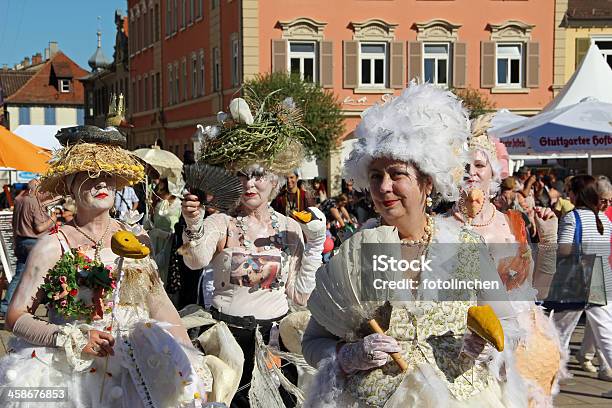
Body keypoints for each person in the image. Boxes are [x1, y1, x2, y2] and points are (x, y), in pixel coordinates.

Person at [303, 83, 524, 407]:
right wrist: (347, 355)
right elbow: (313, 342)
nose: (384, 187)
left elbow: (508, 326)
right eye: (376, 175)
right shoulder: (357, 251)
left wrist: (490, 347)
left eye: (397, 174)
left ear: (427, 180)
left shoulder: (464, 246)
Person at [0, 125, 214, 407]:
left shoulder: (137, 238)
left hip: (138, 368)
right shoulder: (52, 246)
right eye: (90, 176)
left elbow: (159, 303)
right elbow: (16, 318)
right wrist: (72, 339)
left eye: (108, 176)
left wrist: (190, 357)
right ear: (69, 186)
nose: (101, 183)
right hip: (76, 376)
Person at [181, 96, 326, 407]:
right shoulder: (222, 223)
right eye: (242, 175)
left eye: (258, 174)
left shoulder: (290, 228)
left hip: (274, 345)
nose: (249, 184)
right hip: (225, 345)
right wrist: (194, 222)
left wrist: (314, 245)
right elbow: (195, 261)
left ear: (273, 179)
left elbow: (300, 297)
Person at [447, 113, 563, 405]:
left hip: (524, 353)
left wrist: (548, 241)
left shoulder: (514, 222)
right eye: (462, 166)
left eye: (479, 165)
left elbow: (541, 290)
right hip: (468, 354)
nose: (471, 172)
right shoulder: (439, 228)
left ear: (493, 172)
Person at [553, 175, 612, 397]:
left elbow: (565, 250)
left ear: (577, 195)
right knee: (607, 334)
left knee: (559, 333)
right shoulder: (604, 219)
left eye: (569, 190)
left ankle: (551, 375)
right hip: (602, 278)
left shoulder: (573, 217)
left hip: (576, 281)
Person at [0, 179, 57, 316]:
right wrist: (52, 219)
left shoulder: (19, 199)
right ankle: (11, 306)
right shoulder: (33, 201)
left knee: (20, 275)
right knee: (43, 274)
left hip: (20, 240)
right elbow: (38, 228)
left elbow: (14, 224)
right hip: (33, 242)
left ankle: (8, 305)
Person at [577, 176, 612, 380]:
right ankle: (605, 367)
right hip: (592, 274)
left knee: (600, 320)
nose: (607, 204)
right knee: (604, 322)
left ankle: (585, 355)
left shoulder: (604, 217)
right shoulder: (584, 216)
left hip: (602, 272)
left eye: (610, 201)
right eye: (603, 200)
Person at [149, 178, 182, 284]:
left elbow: (180, 228)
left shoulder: (179, 205)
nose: (158, 192)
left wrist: (169, 235)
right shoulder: (160, 204)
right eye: (158, 189)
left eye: (162, 190)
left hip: (171, 245)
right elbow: (152, 222)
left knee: (167, 273)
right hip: (156, 243)